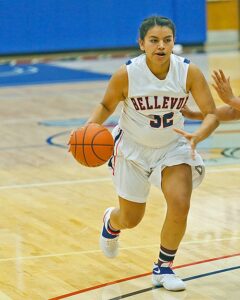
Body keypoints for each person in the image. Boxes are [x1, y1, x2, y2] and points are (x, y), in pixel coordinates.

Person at [84, 16, 219, 291]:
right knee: (132, 218)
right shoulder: (128, 73)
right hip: (132, 149)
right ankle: (112, 222)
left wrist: (200, 133)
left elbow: (211, 113)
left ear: (173, 43)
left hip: (173, 146)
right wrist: (88, 130)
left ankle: (163, 267)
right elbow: (105, 104)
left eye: (167, 40)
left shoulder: (188, 72)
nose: (161, 46)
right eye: (154, 41)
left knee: (180, 202)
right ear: (141, 43)